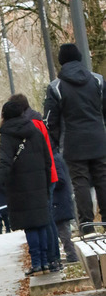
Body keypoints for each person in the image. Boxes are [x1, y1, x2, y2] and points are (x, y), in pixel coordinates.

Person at [44, 43, 106, 228]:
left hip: (72, 142)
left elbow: (50, 120)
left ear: (61, 61)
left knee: (80, 183)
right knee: (103, 178)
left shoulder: (56, 87)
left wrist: (56, 142)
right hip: (99, 139)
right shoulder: (98, 80)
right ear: (79, 57)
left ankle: (86, 222)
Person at [0, 98, 52, 275]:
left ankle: (37, 264)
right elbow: (47, 160)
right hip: (39, 183)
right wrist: (46, 183)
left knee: (30, 226)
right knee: (41, 224)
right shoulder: (35, 131)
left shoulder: (7, 135)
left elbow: (5, 163)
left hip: (19, 187)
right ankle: (46, 262)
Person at [52, 152, 79, 264]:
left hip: (59, 201)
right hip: (60, 200)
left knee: (63, 231)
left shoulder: (54, 158)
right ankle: (71, 254)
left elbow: (60, 180)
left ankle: (72, 255)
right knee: (62, 231)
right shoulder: (55, 156)